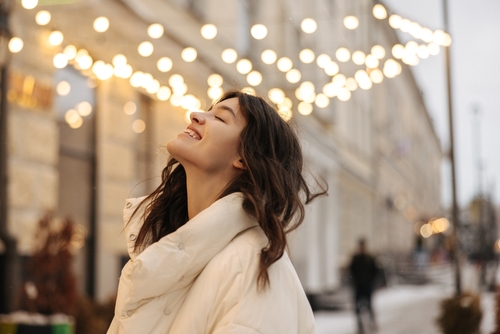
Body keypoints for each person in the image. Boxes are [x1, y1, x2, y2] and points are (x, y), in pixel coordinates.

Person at [107, 90, 326, 334]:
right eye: (207, 111)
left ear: (244, 157)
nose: (195, 115)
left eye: (220, 118)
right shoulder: (172, 251)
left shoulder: (251, 265)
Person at [349, 238, 379, 334]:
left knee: (369, 306)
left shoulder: (369, 258)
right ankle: (360, 326)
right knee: (357, 308)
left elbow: (375, 271)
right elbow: (351, 271)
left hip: (367, 287)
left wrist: (371, 282)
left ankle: (372, 323)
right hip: (358, 287)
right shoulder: (355, 259)